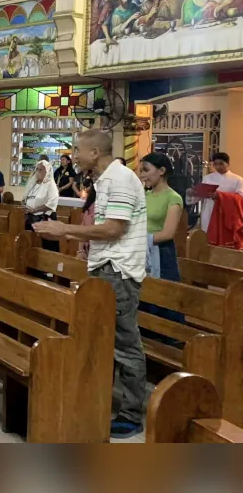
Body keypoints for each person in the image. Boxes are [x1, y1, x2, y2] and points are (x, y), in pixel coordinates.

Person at [33, 129, 147, 439]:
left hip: (119, 272)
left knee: (125, 344)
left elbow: (113, 229)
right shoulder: (103, 180)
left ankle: (132, 413)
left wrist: (64, 230)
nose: (74, 154)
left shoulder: (120, 178)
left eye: (77, 149)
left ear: (95, 152)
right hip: (104, 267)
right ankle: (101, 401)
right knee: (101, 340)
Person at [139, 152, 185, 334]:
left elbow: (167, 233)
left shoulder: (173, 198)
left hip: (161, 253)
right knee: (143, 296)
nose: (142, 174)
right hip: (141, 251)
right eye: (140, 170)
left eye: (146, 170)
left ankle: (167, 339)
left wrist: (138, 240)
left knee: (163, 298)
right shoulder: (144, 195)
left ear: (162, 171)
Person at [194, 151, 243, 232]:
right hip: (209, 211)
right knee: (207, 236)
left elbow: (240, 198)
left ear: (228, 163)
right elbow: (200, 195)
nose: (218, 167)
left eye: (221, 164)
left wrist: (220, 195)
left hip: (228, 214)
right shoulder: (207, 178)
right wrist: (192, 193)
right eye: (215, 164)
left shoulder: (238, 180)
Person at [22, 159, 60, 252]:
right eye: (37, 169)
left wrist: (34, 210)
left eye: (40, 170)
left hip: (45, 219)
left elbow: (51, 204)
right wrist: (24, 205)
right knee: (31, 244)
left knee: (47, 247)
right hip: (31, 219)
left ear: (47, 171)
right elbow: (25, 198)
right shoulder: (33, 183)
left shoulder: (50, 185)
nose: (37, 172)